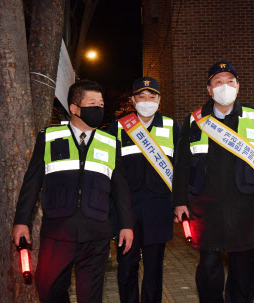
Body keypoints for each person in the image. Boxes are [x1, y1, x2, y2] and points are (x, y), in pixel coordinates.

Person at [172, 61, 254, 303]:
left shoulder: (253, 117)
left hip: (245, 206)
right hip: (205, 206)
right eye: (218, 82)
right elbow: (182, 165)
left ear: (238, 86)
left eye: (230, 81)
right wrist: (180, 201)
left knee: (243, 272)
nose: (225, 86)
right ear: (209, 90)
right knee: (209, 268)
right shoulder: (195, 120)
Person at [12, 81, 133, 303]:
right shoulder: (49, 137)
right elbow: (31, 183)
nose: (98, 108)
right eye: (92, 103)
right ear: (74, 108)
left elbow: (121, 189)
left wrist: (126, 225)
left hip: (96, 233)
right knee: (48, 290)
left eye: (101, 103)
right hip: (58, 232)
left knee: (91, 297)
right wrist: (21, 221)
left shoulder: (110, 142)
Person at [109, 77, 180, 303]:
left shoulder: (172, 126)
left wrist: (180, 202)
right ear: (133, 100)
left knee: (154, 268)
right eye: (142, 96)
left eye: (152, 97)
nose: (147, 101)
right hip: (127, 208)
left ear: (159, 100)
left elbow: (180, 168)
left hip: (159, 207)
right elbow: (111, 170)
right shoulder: (119, 127)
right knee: (127, 266)